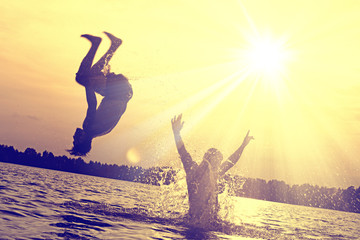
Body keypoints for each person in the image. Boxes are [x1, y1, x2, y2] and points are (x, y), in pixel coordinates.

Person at [171, 114, 254, 229]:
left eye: (218, 164)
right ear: (209, 161)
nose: (218, 167)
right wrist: (176, 134)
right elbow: (182, 151)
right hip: (194, 221)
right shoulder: (192, 171)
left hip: (209, 223)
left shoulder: (212, 174)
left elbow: (231, 161)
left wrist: (243, 146)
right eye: (217, 163)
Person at [68, 32, 133, 156]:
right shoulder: (88, 128)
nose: (74, 137)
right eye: (75, 140)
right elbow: (92, 104)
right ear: (82, 141)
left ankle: (111, 45)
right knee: (82, 78)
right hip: (118, 92)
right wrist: (88, 86)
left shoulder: (100, 132)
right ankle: (99, 44)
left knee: (90, 74)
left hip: (125, 93)